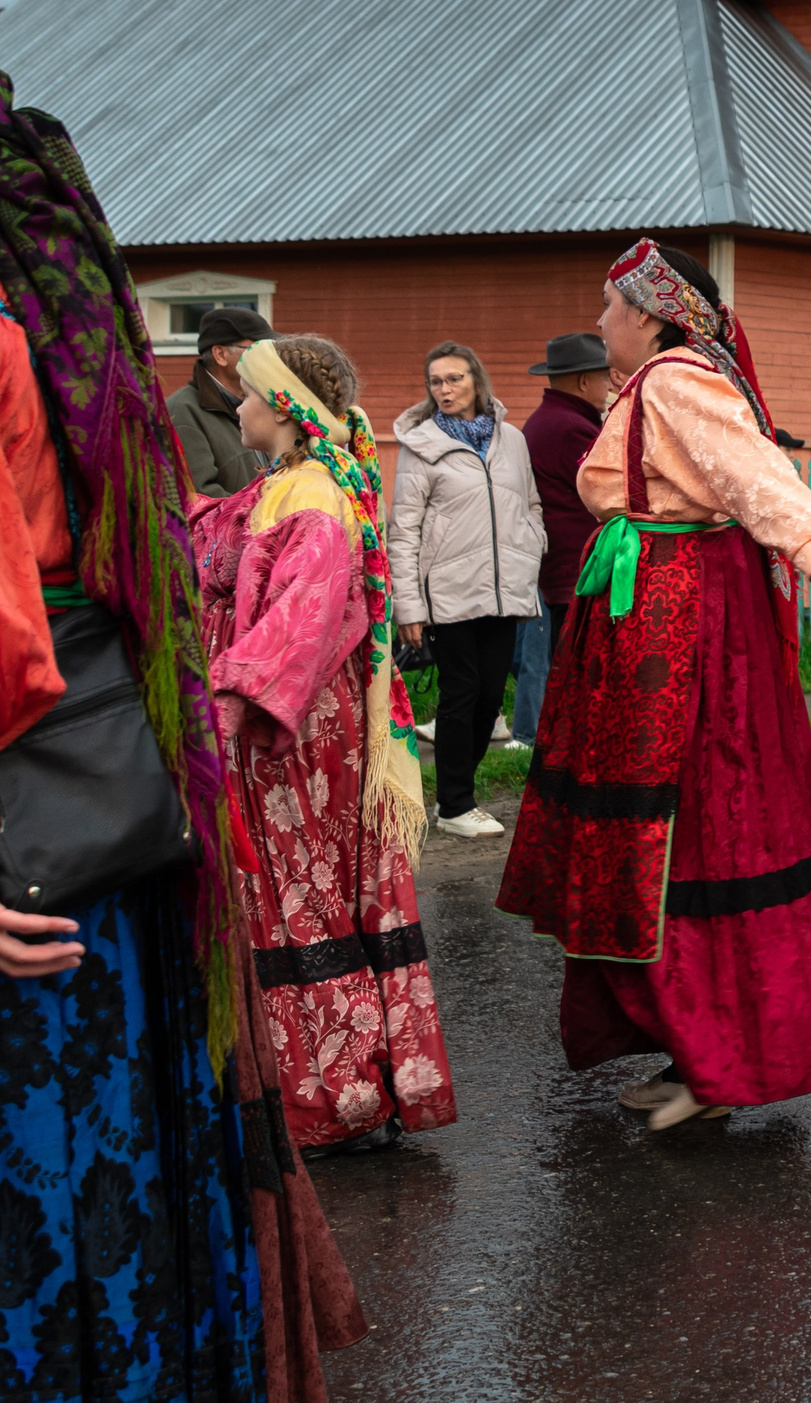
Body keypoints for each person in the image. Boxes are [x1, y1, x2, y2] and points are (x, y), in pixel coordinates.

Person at [1, 81, 365, 1398]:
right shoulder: (78, 363)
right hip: (120, 804)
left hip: (52, 820)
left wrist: (236, 700)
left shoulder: (312, 496)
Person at [496, 237, 811, 1132]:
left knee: (692, 817)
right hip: (651, 606)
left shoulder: (676, 379)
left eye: (607, 307)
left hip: (680, 616)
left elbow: (755, 476)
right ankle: (693, 1041)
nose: (598, 323)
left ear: (648, 316)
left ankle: (718, 1052)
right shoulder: (657, 382)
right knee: (668, 822)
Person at [197, 332, 462, 1160]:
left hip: (301, 737)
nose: (233, 404)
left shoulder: (314, 496)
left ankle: (341, 1098)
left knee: (308, 896)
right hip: (288, 730)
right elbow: (204, 537)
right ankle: (332, 1085)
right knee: (298, 895)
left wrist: (223, 705)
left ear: (280, 405)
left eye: (244, 393)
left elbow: (298, 626)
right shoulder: (283, 483)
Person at [388, 342, 545, 836]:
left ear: (476, 381)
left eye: (454, 379)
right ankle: (454, 805)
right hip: (449, 594)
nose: (445, 389)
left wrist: (529, 550)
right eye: (436, 382)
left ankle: (459, 793)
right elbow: (404, 530)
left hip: (502, 592)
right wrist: (409, 608)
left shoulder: (512, 440)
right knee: (462, 694)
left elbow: (531, 505)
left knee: (489, 697)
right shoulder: (422, 445)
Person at [512, 331, 614, 746]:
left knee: (556, 662)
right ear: (585, 381)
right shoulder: (571, 427)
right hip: (574, 570)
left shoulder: (548, 420)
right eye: (605, 379)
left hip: (558, 567)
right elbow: (608, 490)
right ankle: (561, 739)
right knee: (571, 665)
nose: (609, 388)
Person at [166, 303, 279, 499]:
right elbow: (200, 498)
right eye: (258, 348)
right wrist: (263, 516)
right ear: (221, 355)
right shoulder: (182, 412)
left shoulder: (262, 405)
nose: (270, 356)